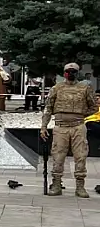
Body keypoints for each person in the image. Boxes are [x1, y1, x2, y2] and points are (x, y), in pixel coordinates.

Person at [41, 62, 98, 198]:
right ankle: (56, 184)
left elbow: (94, 107)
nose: (70, 74)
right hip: (61, 127)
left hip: (78, 126)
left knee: (81, 156)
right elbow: (48, 108)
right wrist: (44, 126)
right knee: (58, 156)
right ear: (64, 72)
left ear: (77, 73)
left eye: (73, 71)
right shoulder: (57, 88)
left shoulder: (85, 88)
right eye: (68, 71)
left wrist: (80, 114)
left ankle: (80, 186)